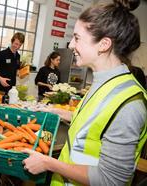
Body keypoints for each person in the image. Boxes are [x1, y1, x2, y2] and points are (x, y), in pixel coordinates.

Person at [22, 0, 147, 185]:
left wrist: (49, 163)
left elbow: (110, 180)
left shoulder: (129, 105)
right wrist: (56, 112)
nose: (71, 45)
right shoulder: (104, 83)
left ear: (104, 44)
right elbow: (94, 122)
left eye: (77, 38)